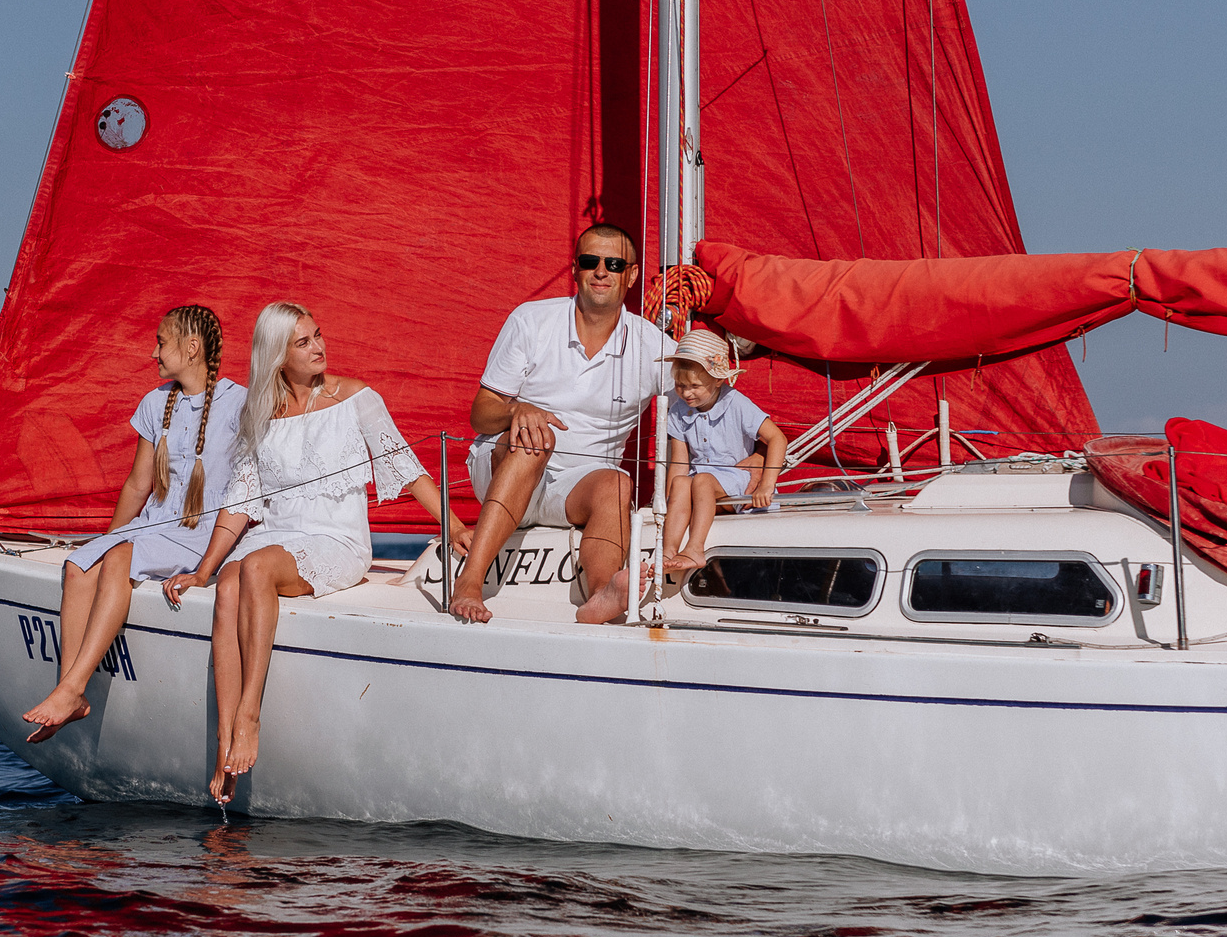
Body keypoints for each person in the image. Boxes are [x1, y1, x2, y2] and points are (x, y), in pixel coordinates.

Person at [165, 302, 468, 802]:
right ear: (277, 355)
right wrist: (203, 571)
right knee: (228, 584)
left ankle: (249, 716)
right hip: (276, 534)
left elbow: (408, 469)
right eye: (303, 342)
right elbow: (240, 501)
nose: (318, 347)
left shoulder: (356, 398)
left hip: (335, 539)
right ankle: (224, 741)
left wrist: (454, 526)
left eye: (318, 335)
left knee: (254, 567)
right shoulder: (259, 413)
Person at [21, 304, 239, 744]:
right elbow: (139, 484)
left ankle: (73, 688)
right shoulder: (155, 402)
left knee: (120, 558)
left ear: (191, 348)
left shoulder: (239, 402)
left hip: (201, 530)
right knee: (78, 565)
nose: (152, 352)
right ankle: (69, 691)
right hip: (154, 523)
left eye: (160, 342)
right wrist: (107, 541)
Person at [449, 224, 675, 625]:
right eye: (590, 261)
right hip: (505, 466)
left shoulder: (653, 347)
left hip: (576, 490)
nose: (601, 271)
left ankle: (603, 594)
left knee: (618, 483)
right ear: (575, 269)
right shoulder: (531, 320)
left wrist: (759, 445)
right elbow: (480, 413)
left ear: (632, 275)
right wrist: (517, 410)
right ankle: (469, 581)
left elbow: (709, 393)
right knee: (536, 439)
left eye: (614, 264)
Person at [662, 329, 788, 579]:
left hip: (737, 478)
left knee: (702, 481)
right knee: (680, 483)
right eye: (680, 385)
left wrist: (766, 484)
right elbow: (679, 462)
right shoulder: (677, 411)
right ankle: (667, 551)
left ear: (718, 380)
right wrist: (670, 501)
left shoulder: (736, 403)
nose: (686, 393)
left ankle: (695, 548)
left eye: (695, 386)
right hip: (701, 481)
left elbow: (777, 438)